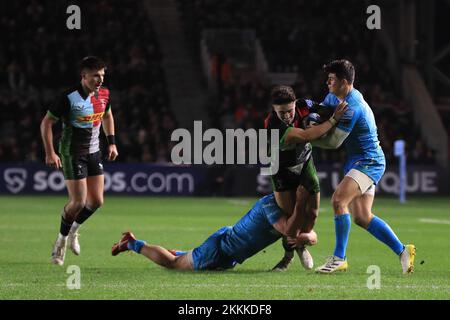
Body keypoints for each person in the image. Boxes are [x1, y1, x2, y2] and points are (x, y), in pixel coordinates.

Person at [312, 59, 415, 274]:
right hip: (358, 160)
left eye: (331, 79)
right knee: (362, 217)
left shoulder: (352, 107)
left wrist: (305, 137)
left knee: (339, 200)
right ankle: (403, 250)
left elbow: (333, 143)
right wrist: (309, 113)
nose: (327, 83)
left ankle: (339, 258)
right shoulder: (334, 96)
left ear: (343, 81)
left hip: (369, 161)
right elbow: (321, 111)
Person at [111, 191, 318, 271]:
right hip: (220, 250)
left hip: (229, 251)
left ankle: (179, 252)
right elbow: (290, 233)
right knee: (172, 264)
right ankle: (131, 243)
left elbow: (307, 233)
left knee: (185, 257)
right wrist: (306, 238)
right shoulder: (270, 204)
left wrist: (307, 237)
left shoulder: (287, 210)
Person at [40, 56, 119, 265]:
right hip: (72, 153)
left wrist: (111, 143)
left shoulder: (104, 94)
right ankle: (60, 242)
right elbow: (46, 123)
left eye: (102, 75)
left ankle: (74, 231)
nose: (100, 79)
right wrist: (50, 153)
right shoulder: (68, 98)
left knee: (97, 202)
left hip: (94, 152)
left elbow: (107, 116)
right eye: (95, 75)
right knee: (78, 202)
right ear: (84, 76)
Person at [264, 85, 344, 271]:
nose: (286, 116)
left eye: (289, 110)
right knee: (292, 217)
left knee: (313, 213)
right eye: (281, 112)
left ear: (295, 104)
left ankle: (301, 246)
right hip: (281, 170)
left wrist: (320, 116)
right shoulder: (272, 124)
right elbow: (307, 135)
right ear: (274, 109)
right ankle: (289, 255)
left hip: (305, 163)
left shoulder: (304, 105)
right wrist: (332, 120)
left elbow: (324, 110)